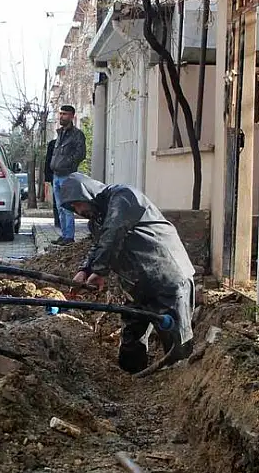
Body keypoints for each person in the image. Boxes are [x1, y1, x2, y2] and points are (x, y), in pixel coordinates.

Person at [58, 173, 195, 374]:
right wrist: (85, 270)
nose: (78, 211)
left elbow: (113, 234)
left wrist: (98, 270)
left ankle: (179, 388)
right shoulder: (96, 220)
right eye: (74, 208)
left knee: (176, 341)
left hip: (167, 277)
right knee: (131, 340)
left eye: (78, 204)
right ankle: (131, 381)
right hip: (137, 284)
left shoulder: (123, 197)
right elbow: (99, 244)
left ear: (88, 193)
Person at [49, 105, 86, 245]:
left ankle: (69, 237)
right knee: (60, 207)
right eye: (60, 114)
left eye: (64, 114)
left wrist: (66, 164)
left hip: (67, 175)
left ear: (72, 116)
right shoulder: (60, 134)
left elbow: (80, 154)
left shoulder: (77, 135)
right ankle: (64, 235)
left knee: (67, 207)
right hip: (56, 175)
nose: (61, 116)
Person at [44, 137, 58, 228]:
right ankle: (57, 222)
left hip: (68, 174)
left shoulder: (71, 142)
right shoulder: (53, 144)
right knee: (57, 200)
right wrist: (48, 176)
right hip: (54, 174)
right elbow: (48, 159)